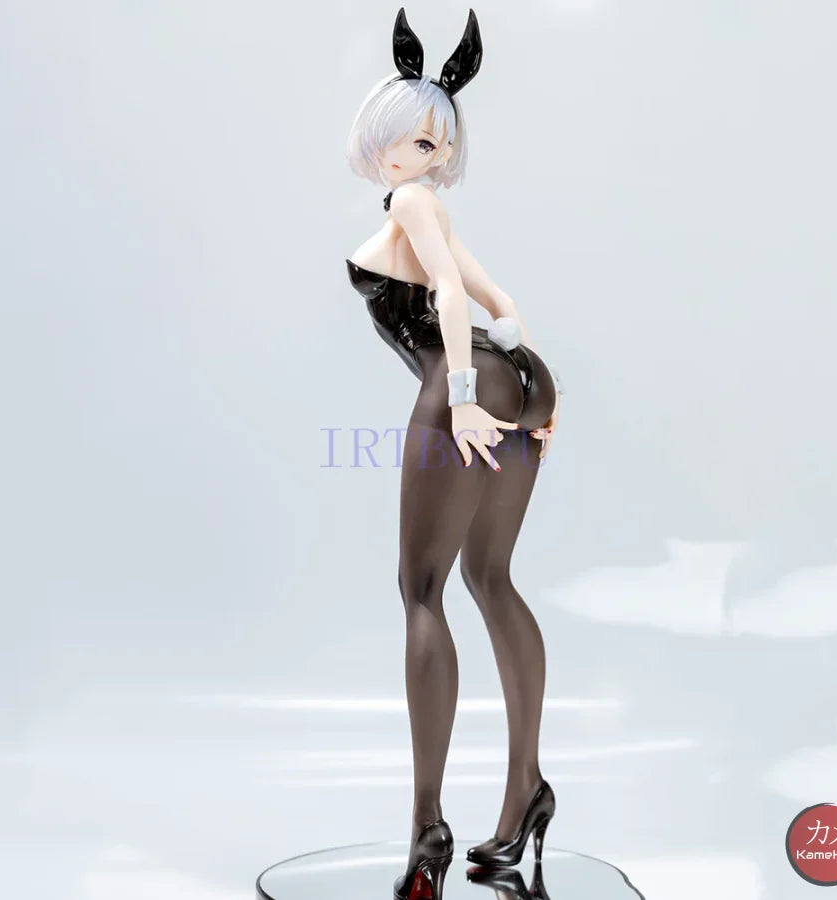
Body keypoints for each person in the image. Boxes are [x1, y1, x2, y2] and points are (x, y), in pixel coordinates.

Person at [345, 9, 563, 898]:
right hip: (521, 380)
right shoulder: (425, 205)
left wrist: (465, 398)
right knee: (491, 579)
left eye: (436, 142)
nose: (424, 154)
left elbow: (447, 293)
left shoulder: (411, 202)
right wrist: (539, 389)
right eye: (416, 138)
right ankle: (526, 793)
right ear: (384, 131)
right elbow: (498, 296)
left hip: (468, 381)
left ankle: (427, 825)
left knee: (423, 590)